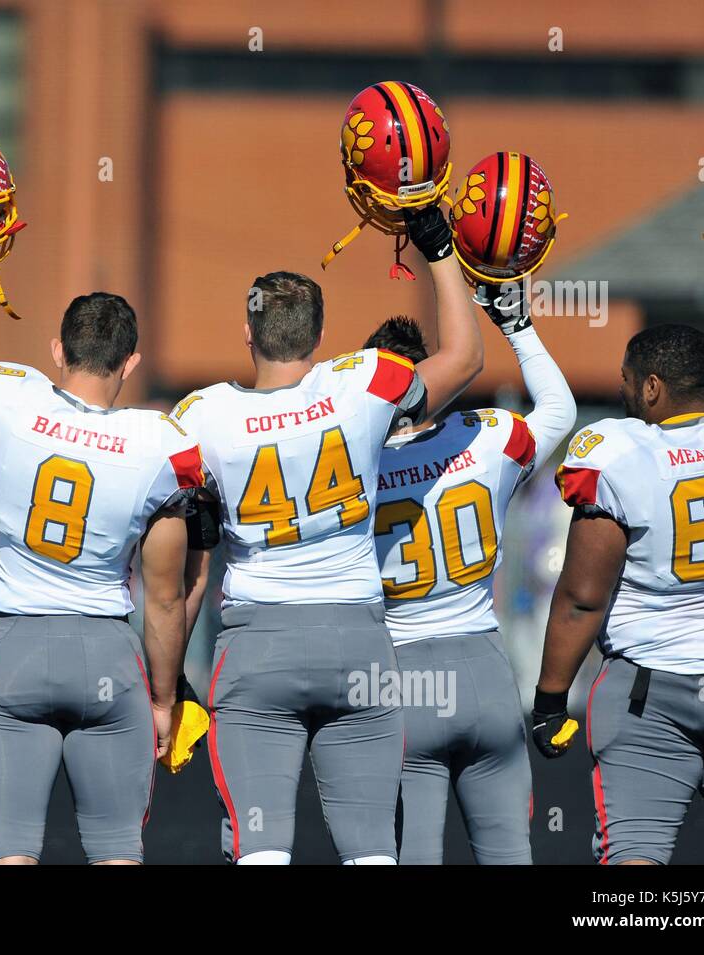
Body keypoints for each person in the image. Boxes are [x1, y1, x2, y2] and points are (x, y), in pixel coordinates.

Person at [174, 205, 483, 865]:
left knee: (259, 850)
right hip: (359, 642)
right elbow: (465, 357)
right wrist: (438, 249)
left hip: (259, 645)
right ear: (319, 335)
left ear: (247, 333)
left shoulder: (201, 415)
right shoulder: (364, 382)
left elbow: (177, 560)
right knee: (373, 851)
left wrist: (164, 677)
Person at [0, 230, 196, 865]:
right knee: (118, 854)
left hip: (18, 651)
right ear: (131, 363)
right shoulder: (159, 443)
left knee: (9, 853)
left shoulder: (9, 402)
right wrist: (165, 699)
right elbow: (166, 596)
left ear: (57, 350)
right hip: (109, 659)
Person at [366, 289, 575, 864]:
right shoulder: (487, 439)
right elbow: (560, 409)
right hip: (485, 669)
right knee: (509, 853)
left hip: (400, 675)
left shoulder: (351, 468)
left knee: (413, 856)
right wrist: (517, 324)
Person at [538, 324, 704, 865]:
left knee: (635, 859)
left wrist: (549, 697)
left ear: (653, 387)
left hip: (651, 690)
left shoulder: (617, 453)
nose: (623, 390)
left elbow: (582, 598)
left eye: (629, 381)